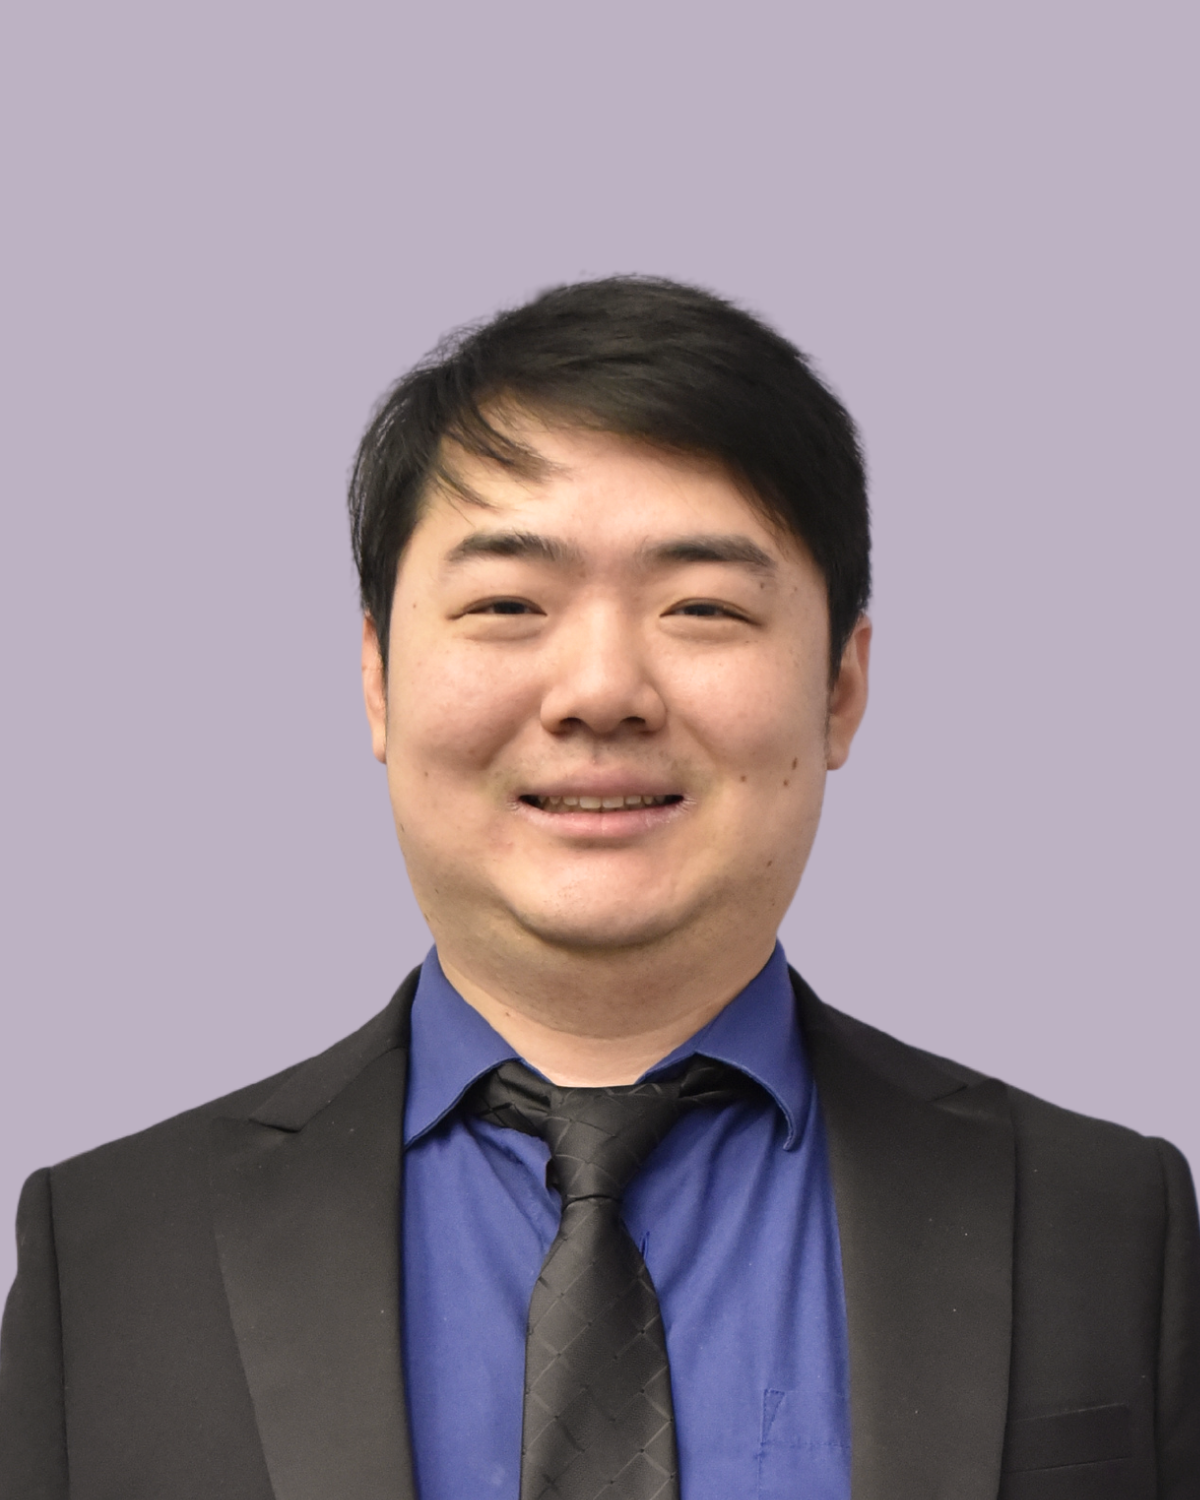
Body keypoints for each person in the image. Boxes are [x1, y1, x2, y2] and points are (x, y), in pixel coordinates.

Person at [0, 277, 1196, 1500]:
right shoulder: (106, 1259)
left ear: (842, 686)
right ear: (377, 677)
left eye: (702, 607)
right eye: (509, 604)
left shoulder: (1103, 1223)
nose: (600, 689)